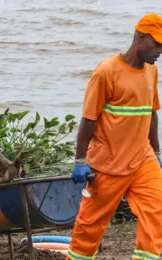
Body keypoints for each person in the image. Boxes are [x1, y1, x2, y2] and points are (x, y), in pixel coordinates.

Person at [69, 13, 162, 260]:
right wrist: (80, 161)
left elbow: (151, 114)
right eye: (157, 44)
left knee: (158, 213)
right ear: (140, 38)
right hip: (108, 165)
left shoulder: (151, 72)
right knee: (89, 230)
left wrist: (157, 152)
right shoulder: (106, 72)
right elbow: (88, 120)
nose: (159, 52)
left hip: (142, 160)